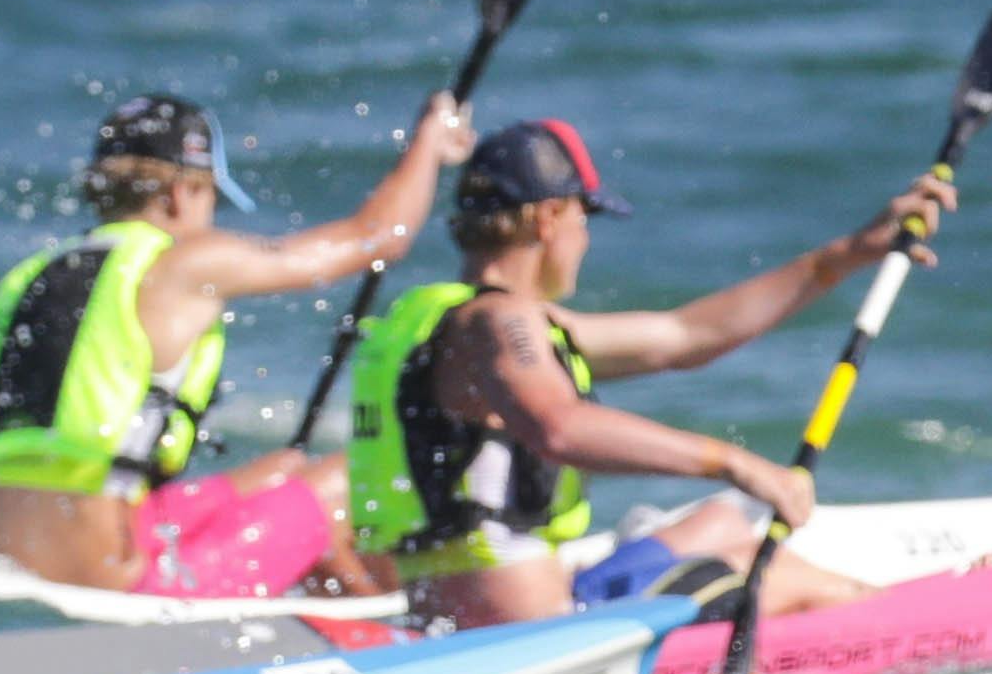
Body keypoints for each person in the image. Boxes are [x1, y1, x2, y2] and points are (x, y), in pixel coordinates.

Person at [343, 118, 944, 628]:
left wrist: (848, 255)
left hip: (462, 609)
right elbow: (559, 427)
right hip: (532, 633)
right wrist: (738, 463)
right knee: (783, 572)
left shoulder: (448, 320)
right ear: (550, 217)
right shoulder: (499, 326)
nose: (583, 238)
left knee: (720, 519)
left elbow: (687, 336)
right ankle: (924, 628)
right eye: (585, 217)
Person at [0, 89, 471, 592]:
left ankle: (349, 613)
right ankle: (398, 637)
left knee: (276, 475)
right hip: (113, 577)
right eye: (211, 198)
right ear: (181, 193)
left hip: (7, 552)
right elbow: (378, 237)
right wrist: (428, 142)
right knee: (351, 477)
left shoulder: (36, 273)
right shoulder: (181, 263)